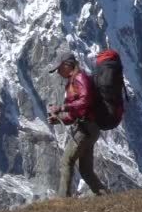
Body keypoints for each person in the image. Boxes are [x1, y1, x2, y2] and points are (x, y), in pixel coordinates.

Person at [48, 51, 111, 197]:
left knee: (66, 161)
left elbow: (86, 100)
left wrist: (62, 108)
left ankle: (63, 200)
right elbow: (76, 113)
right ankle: (104, 196)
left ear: (67, 65)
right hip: (88, 127)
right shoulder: (72, 82)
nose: (58, 72)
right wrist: (59, 120)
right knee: (86, 170)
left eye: (59, 68)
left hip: (87, 128)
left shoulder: (79, 78)